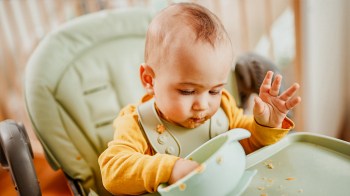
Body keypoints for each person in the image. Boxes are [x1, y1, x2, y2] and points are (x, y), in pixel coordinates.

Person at [98, 2, 301, 195]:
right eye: (187, 91)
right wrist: (170, 168)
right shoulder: (136, 125)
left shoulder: (223, 106)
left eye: (214, 91)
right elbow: (112, 170)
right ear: (149, 80)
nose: (203, 105)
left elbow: (247, 143)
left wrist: (264, 125)